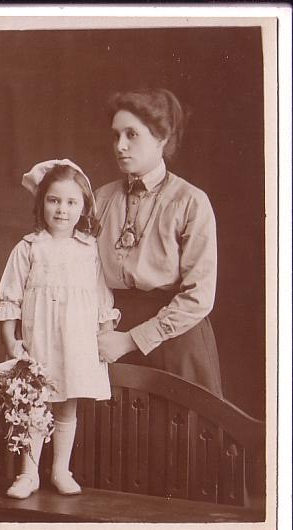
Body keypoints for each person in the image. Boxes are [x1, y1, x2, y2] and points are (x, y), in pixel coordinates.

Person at [0, 159, 120, 499]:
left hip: (76, 341)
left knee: (66, 406)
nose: (62, 209)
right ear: (41, 203)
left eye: (71, 202)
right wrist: (11, 341)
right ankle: (28, 473)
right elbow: (11, 299)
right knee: (33, 404)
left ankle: (61, 469)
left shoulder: (89, 250)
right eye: (54, 200)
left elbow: (101, 296)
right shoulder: (29, 248)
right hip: (39, 340)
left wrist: (104, 334)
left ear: (83, 207)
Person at [95, 88, 223, 398]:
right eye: (115, 136)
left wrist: (131, 340)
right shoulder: (100, 199)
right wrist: (105, 331)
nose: (120, 146)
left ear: (161, 138)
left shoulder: (190, 201)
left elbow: (199, 295)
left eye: (132, 135)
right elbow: (88, 273)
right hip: (110, 334)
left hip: (174, 343)